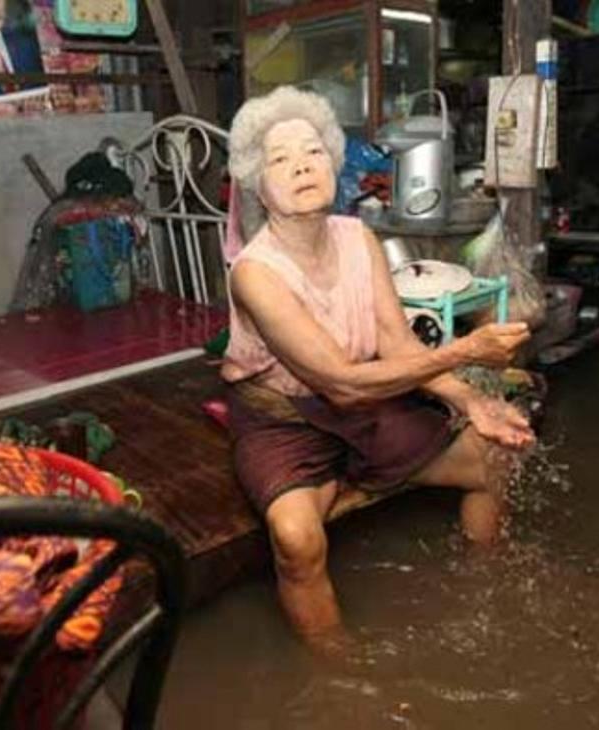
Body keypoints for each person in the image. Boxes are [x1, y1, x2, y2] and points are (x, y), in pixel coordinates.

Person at [223, 86, 536, 649]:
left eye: (313, 152)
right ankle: (336, 671)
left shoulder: (357, 236)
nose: (300, 165)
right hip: (285, 419)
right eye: (280, 158)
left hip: (366, 402)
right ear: (259, 185)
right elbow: (337, 378)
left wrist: (472, 401)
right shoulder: (255, 271)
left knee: (495, 461)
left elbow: (396, 345)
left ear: (334, 165)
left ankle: (484, 594)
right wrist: (466, 351)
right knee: (296, 539)